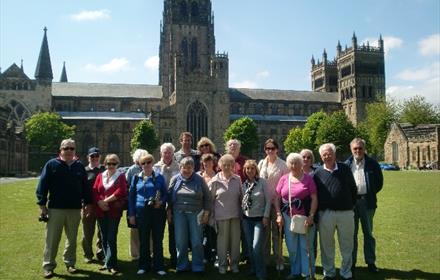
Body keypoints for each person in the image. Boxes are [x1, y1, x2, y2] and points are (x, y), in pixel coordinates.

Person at [36, 139, 92, 279]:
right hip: (56, 209)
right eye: (66, 148)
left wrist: (87, 204)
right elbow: (42, 186)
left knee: (72, 239)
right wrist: (42, 205)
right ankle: (48, 266)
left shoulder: (79, 166)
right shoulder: (51, 164)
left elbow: (85, 188)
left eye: (71, 148)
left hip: (74, 209)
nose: (69, 151)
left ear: (75, 150)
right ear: (60, 150)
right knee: (52, 239)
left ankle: (70, 263)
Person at [313, 143, 357, 280]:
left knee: (347, 244)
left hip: (346, 213)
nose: (327, 156)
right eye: (324, 154)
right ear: (321, 156)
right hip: (326, 214)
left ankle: (346, 272)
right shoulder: (318, 173)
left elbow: (353, 189)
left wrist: (349, 204)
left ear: (334, 154)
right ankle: (329, 272)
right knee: (326, 245)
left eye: (329, 153)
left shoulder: (344, 168)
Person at [275, 153, 318, 280]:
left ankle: (307, 273)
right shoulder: (284, 179)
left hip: (305, 218)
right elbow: (277, 198)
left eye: (297, 163)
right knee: (292, 246)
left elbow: (314, 198)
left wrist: (311, 215)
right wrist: (278, 214)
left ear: (301, 164)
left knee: (305, 246)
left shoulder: (308, 179)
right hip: (288, 217)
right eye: (291, 163)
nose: (294, 166)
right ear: (288, 165)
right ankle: (295, 271)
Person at [345, 138, 383, 274]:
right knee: (352, 235)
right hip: (351, 204)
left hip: (367, 202)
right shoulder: (347, 164)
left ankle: (371, 262)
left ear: (364, 149)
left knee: (368, 234)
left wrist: (369, 192)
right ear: (351, 149)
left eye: (360, 148)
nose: (358, 151)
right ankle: (352, 262)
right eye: (355, 148)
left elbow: (379, 183)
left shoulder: (373, 164)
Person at [167, 157, 211, 273]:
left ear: (193, 168)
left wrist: (206, 213)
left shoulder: (199, 179)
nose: (186, 170)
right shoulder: (175, 179)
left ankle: (198, 266)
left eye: (189, 167)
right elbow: (169, 198)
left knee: (196, 241)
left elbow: (208, 197)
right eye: (184, 167)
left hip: (196, 214)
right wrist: (169, 212)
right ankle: (182, 265)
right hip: (179, 214)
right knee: (181, 241)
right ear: (180, 168)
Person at [128, 154, 168, 276]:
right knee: (144, 240)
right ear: (140, 165)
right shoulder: (136, 178)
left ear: (153, 163)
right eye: (143, 163)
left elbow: (166, 194)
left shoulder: (159, 177)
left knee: (157, 240)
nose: (146, 165)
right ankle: (143, 266)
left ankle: (159, 266)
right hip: (142, 213)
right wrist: (132, 215)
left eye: (148, 162)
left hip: (157, 212)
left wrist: (161, 202)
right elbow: (131, 198)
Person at [93, 154, 127, 275]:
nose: (111, 166)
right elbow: (95, 190)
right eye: (108, 163)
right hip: (101, 211)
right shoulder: (100, 176)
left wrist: (105, 201)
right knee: (104, 237)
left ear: (117, 164)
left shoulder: (121, 176)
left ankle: (112, 264)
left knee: (111, 237)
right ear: (105, 164)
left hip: (114, 212)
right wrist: (99, 202)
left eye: (113, 163)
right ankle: (107, 262)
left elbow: (121, 191)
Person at [258, 138, 288, 270]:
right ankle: (265, 260)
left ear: (277, 149)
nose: (270, 151)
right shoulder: (261, 163)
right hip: (263, 203)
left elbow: (286, 184)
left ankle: (279, 260)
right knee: (265, 233)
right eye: (267, 148)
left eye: (272, 148)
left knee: (277, 233)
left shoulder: (283, 165)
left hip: (277, 203)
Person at [209, 154, 242, 274]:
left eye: (230, 165)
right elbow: (210, 200)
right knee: (222, 243)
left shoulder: (237, 179)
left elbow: (241, 197)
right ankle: (222, 265)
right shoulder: (215, 180)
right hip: (221, 216)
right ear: (220, 166)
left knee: (235, 242)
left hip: (235, 216)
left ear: (233, 166)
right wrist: (211, 217)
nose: (227, 167)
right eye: (225, 165)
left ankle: (234, 265)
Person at [241, 160, 271, 280]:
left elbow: (269, 200)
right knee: (249, 246)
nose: (250, 171)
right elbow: (242, 202)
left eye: (252, 168)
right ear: (245, 170)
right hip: (247, 219)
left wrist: (266, 216)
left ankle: (261, 272)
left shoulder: (262, 182)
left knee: (256, 246)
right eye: (247, 168)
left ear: (256, 170)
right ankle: (253, 268)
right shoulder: (244, 185)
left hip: (259, 219)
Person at [153, 143, 180, 266]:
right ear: (161, 153)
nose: (167, 155)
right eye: (165, 152)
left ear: (173, 154)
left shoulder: (179, 167)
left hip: (174, 204)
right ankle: (158, 258)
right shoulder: (155, 168)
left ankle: (174, 259)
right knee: (158, 232)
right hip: (159, 204)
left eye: (169, 152)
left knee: (173, 233)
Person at [82, 147, 105, 263]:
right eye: (92, 156)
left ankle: (100, 252)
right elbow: (81, 189)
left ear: (100, 157)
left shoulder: (104, 170)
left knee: (101, 232)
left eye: (97, 156)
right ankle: (88, 254)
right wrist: (85, 204)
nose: (95, 158)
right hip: (88, 206)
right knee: (88, 232)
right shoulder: (84, 171)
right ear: (88, 157)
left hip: (102, 206)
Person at [125, 149, 149, 261]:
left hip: (147, 206)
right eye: (141, 158)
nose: (143, 161)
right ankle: (135, 253)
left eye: (144, 158)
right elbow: (127, 186)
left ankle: (149, 251)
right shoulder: (131, 170)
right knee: (134, 230)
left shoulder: (149, 169)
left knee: (148, 229)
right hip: (134, 204)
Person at [197, 153, 218, 264]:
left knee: (213, 233)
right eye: (205, 162)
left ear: (213, 163)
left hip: (214, 208)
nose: (207, 164)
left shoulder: (218, 176)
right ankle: (205, 255)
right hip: (201, 208)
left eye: (209, 162)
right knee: (203, 233)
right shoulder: (199, 176)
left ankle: (214, 255)